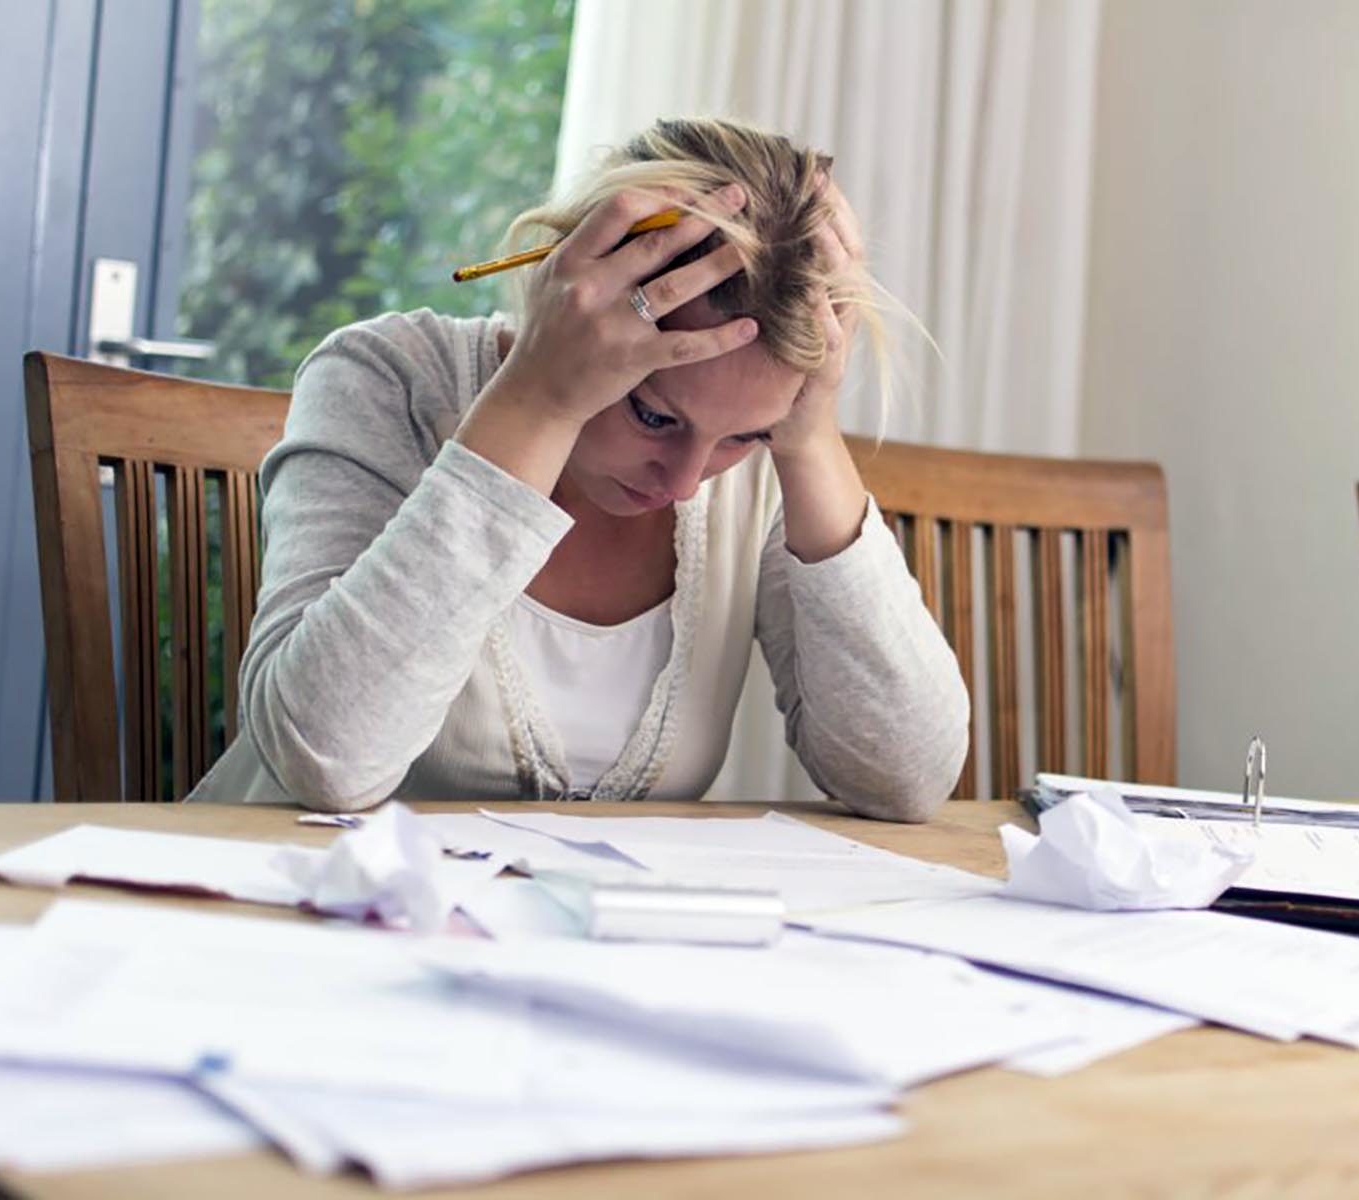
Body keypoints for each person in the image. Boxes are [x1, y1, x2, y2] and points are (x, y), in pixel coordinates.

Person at [188, 117, 968, 821]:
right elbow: (326, 759)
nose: (685, 483)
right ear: (569, 297)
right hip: (289, 929)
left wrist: (804, 440)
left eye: (746, 438)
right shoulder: (386, 376)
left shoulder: (765, 463)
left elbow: (903, 779)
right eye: (655, 416)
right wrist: (537, 402)